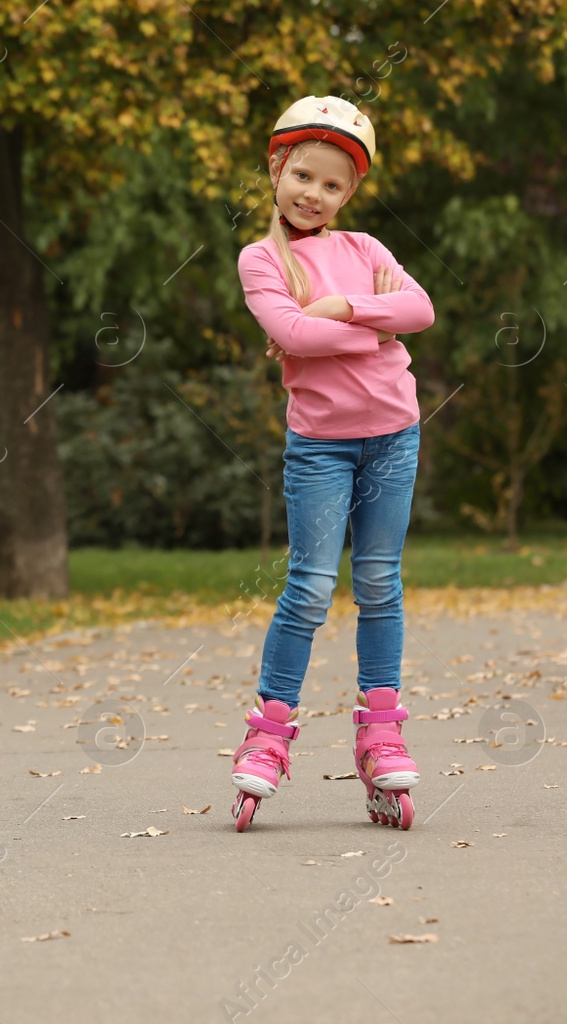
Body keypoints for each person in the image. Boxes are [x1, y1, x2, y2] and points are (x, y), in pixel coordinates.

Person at [228, 95, 435, 832]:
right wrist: (368, 326)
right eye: (303, 176)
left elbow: (421, 311)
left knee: (379, 579)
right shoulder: (261, 258)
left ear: (349, 193)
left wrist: (339, 313)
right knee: (311, 584)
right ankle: (269, 731)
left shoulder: (367, 248)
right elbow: (289, 332)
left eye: (332, 185)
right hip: (320, 443)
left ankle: (381, 731)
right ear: (278, 168)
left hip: (394, 435)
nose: (314, 194)